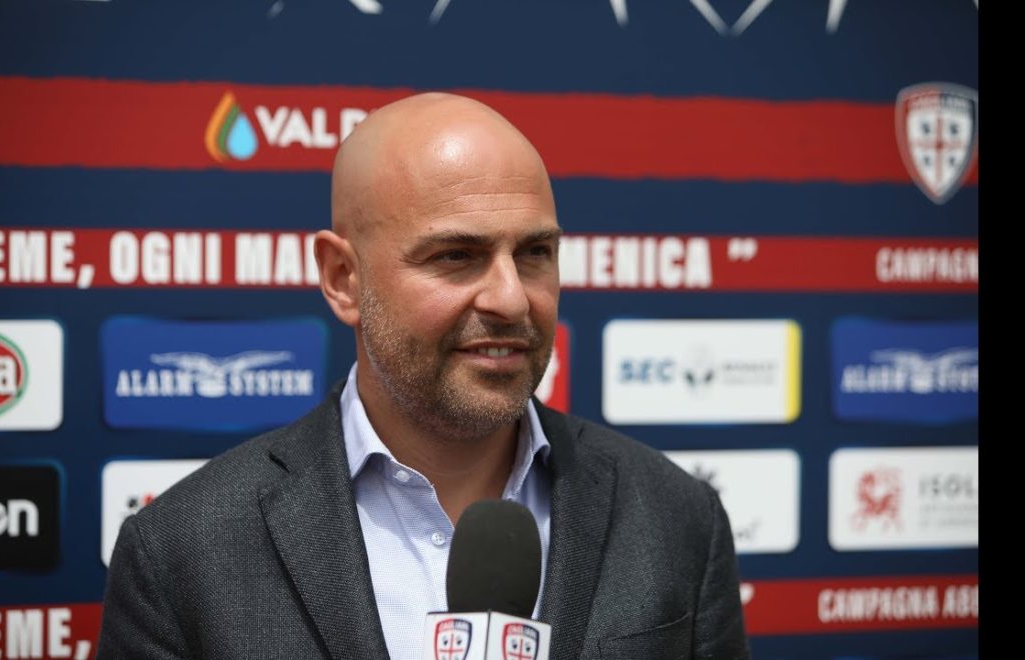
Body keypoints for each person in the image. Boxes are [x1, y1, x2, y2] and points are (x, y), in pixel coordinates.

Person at [97, 92, 750, 659]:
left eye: (534, 253)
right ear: (343, 279)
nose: (511, 300)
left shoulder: (678, 519)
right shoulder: (181, 552)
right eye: (456, 256)